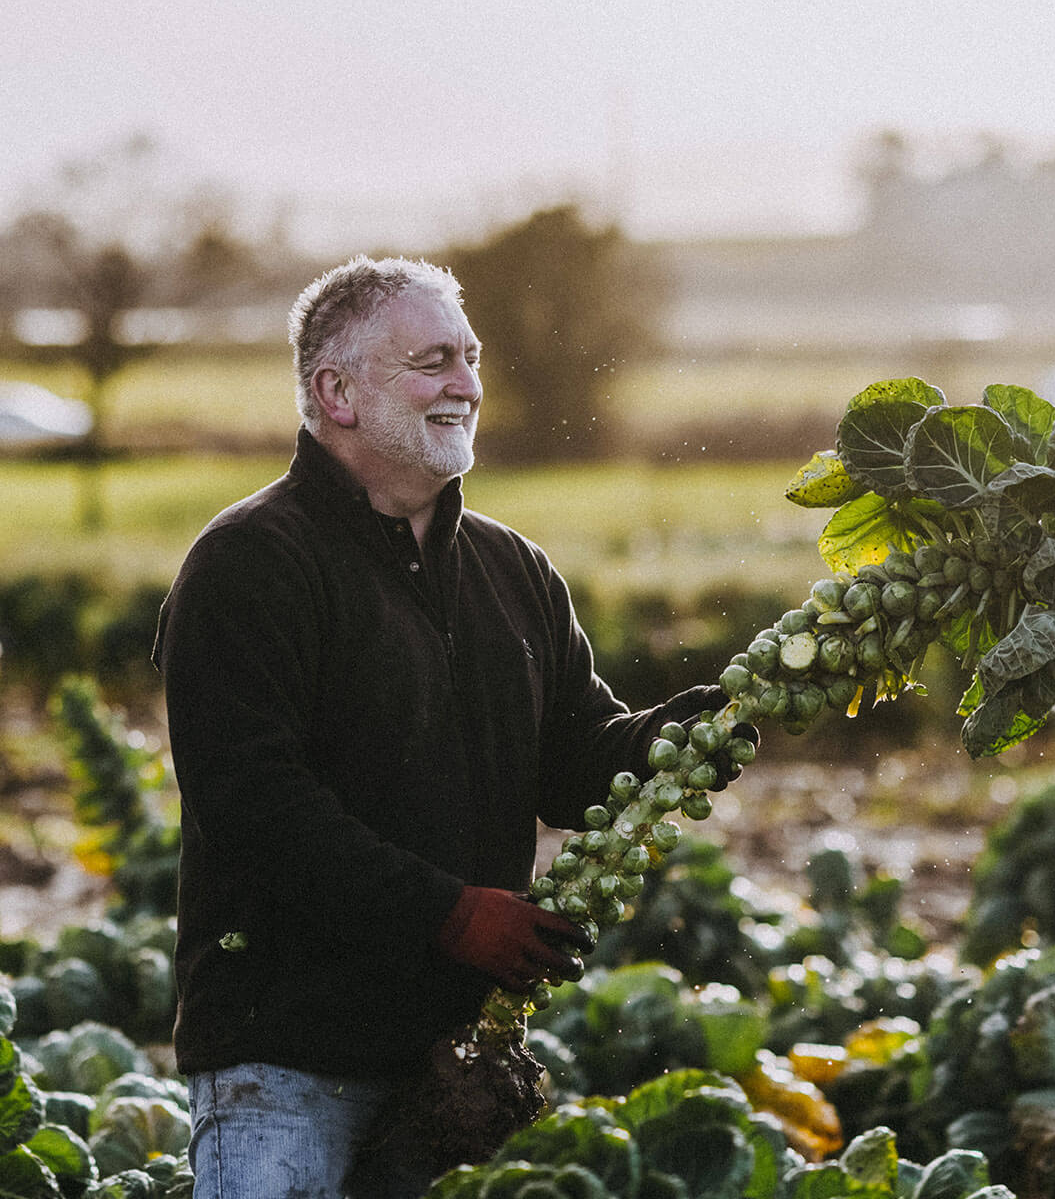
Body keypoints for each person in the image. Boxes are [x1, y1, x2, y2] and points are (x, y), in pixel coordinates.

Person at [153, 254, 739, 1198]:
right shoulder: (249, 565)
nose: (466, 385)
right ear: (335, 392)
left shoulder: (515, 570)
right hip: (284, 1063)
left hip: (453, 1070)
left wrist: (680, 738)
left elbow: (574, 763)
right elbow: (253, 805)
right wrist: (450, 915)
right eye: (432, 361)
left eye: (469, 358)